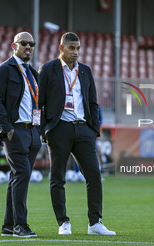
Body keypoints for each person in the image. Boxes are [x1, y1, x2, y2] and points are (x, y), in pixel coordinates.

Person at [38, 32, 115, 235]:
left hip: (83, 130)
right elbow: (40, 103)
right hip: (59, 128)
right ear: (61, 48)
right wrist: (45, 130)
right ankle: (63, 223)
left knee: (94, 176)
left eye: (78, 48)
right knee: (57, 178)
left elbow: (93, 102)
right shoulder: (48, 69)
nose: (76, 52)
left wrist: (93, 130)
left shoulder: (86, 71)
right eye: (72, 48)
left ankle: (95, 223)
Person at [0, 32, 41, 238]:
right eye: (24, 43)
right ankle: (21, 225)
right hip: (15, 130)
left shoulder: (33, 73)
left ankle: (9, 226)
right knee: (21, 175)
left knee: (17, 177)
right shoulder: (3, 70)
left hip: (32, 130)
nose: (28, 47)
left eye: (32, 44)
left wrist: (39, 129)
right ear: (14, 45)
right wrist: (8, 129)